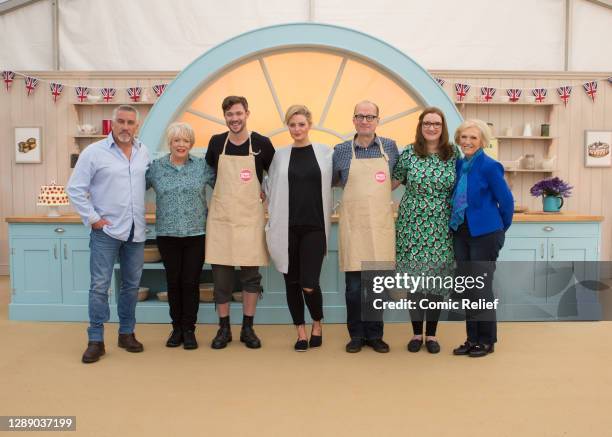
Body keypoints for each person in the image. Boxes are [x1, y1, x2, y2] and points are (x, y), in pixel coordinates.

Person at [67, 105, 150, 364]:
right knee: (99, 287)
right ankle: (95, 340)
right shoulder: (94, 153)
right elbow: (75, 189)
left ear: (136, 126)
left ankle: (126, 333)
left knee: (131, 286)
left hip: (135, 231)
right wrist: (93, 219)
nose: (125, 127)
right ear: (111, 124)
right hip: (106, 231)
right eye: (121, 122)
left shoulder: (143, 152)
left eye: (130, 123)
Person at [204, 96, 275, 349]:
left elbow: (274, 176)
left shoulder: (261, 144)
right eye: (229, 115)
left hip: (249, 219)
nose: (234, 119)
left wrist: (263, 189)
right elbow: (211, 176)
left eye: (238, 113)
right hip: (222, 219)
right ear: (225, 117)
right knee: (221, 279)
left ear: (247, 113)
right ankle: (223, 329)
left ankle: (248, 327)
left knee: (250, 277)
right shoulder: (215, 143)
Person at [332, 101, 399, 354]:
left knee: (377, 286)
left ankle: (375, 335)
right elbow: (334, 182)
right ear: (353, 120)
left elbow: (398, 177)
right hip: (353, 227)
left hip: (379, 226)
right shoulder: (340, 151)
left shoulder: (390, 148)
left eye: (370, 116)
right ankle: (356, 335)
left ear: (377, 120)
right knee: (354, 288)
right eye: (360, 116)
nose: (365, 120)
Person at [265, 105, 333, 351]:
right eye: (292, 125)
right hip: (286, 228)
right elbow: (269, 186)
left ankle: (317, 322)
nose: (297, 129)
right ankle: (301, 332)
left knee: (309, 282)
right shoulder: (280, 156)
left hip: (315, 227)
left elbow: (338, 179)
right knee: (291, 282)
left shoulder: (325, 153)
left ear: (309, 125)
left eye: (301, 124)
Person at [392, 107, 457, 354]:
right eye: (427, 123)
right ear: (420, 126)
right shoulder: (408, 152)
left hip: (442, 223)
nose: (432, 127)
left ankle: (432, 334)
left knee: (436, 280)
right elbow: (392, 182)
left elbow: (465, 184)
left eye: (436, 124)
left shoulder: (453, 153)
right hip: (412, 222)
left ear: (443, 128)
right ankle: (416, 333)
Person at [450, 119, 513, 358]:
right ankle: (472, 338)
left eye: (473, 138)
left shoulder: (489, 166)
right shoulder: (458, 165)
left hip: (485, 235)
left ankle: (486, 340)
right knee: (468, 288)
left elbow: (506, 202)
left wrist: (498, 230)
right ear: (458, 139)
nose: (467, 142)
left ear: (483, 141)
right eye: (464, 137)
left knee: (481, 289)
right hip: (461, 232)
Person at [146, 122, 212, 350]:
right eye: (176, 140)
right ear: (170, 143)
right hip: (167, 235)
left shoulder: (202, 167)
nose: (181, 144)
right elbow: (132, 188)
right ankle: (176, 329)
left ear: (191, 144)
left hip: (196, 234)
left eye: (185, 140)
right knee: (173, 283)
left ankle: (189, 330)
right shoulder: (156, 168)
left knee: (190, 282)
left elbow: (226, 188)